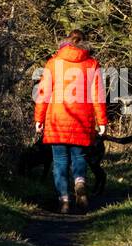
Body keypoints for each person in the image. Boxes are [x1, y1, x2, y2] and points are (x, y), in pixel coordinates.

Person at [33, 29, 108, 213]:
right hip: (82, 120)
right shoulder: (92, 64)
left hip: (57, 120)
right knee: (79, 157)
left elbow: (43, 94)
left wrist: (39, 119)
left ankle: (64, 201)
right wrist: (102, 122)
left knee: (59, 161)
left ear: (66, 42)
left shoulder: (53, 63)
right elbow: (98, 96)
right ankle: (80, 183)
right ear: (84, 44)